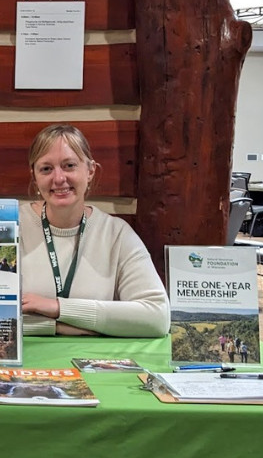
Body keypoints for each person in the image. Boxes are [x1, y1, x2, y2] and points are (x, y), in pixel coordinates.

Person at [19, 124, 170, 337]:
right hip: (28, 364)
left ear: (90, 171)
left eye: (69, 165)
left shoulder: (116, 234)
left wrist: (58, 307)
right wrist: (60, 327)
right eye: (46, 169)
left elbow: (157, 318)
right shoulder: (10, 229)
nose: (59, 178)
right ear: (34, 177)